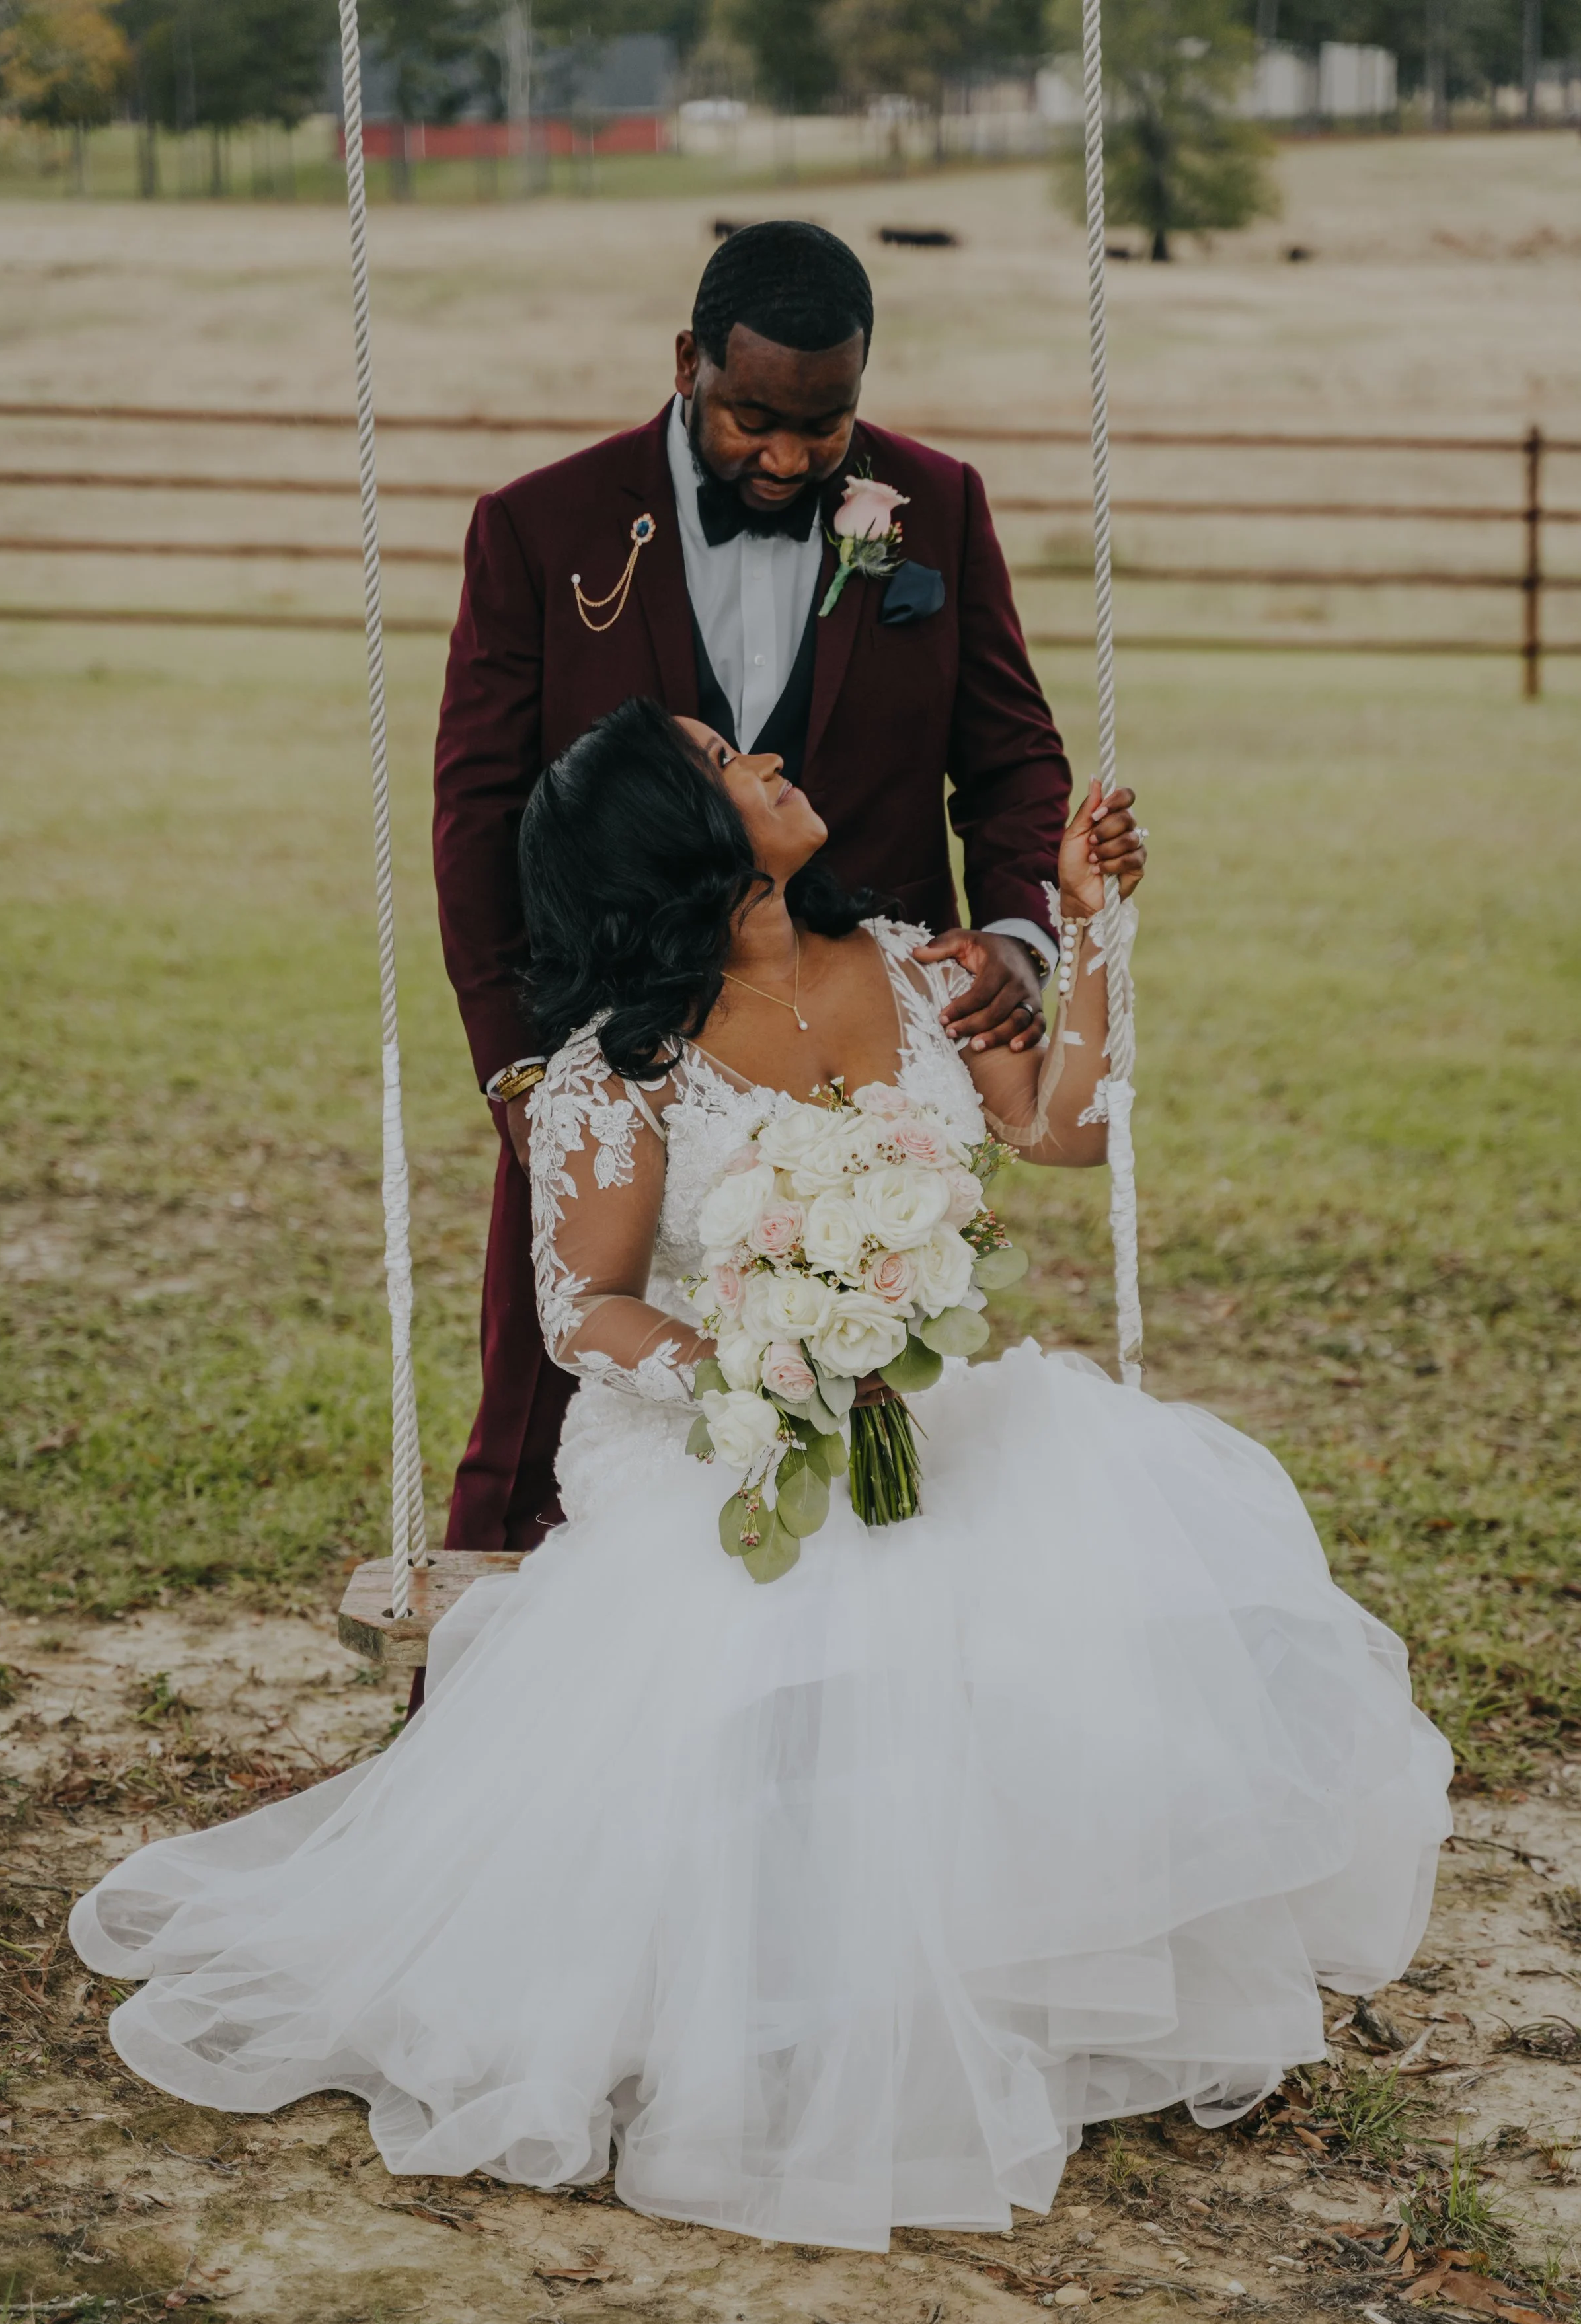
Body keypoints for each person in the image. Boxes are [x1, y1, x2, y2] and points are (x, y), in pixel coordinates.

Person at [71, 706, 1451, 2254]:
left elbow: (1060, 1132)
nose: (775, 759)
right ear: (681, 835)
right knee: (798, 1611)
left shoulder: (920, 967)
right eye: (728, 761)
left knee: (1074, 1530)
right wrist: (760, 1371)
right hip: (712, 1439)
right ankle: (791, 1990)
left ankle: (986, 1972)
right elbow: (582, 1312)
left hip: (919, 1409)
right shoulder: (619, 1074)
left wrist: (1085, 924)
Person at [433, 219, 1139, 1552]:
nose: (789, 458)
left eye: (825, 426)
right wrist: (520, 1065)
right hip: (633, 1017)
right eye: (753, 417)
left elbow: (1010, 759)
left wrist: (1018, 943)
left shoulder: (937, 503)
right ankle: (487, 1667)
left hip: (870, 1018)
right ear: (687, 361)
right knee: (548, 1370)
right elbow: (477, 813)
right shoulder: (540, 525)